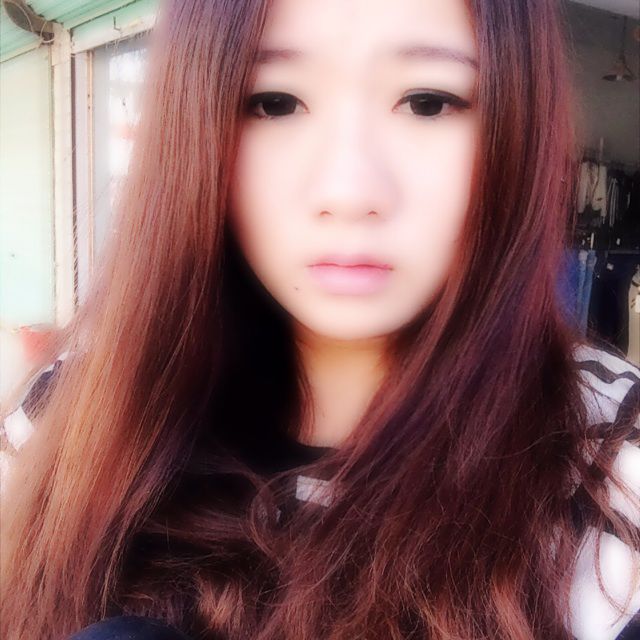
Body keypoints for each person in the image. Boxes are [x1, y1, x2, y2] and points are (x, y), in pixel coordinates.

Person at [1, 0, 639, 638]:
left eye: (428, 102)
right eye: (274, 103)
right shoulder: (66, 419)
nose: (348, 193)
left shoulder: (611, 470)